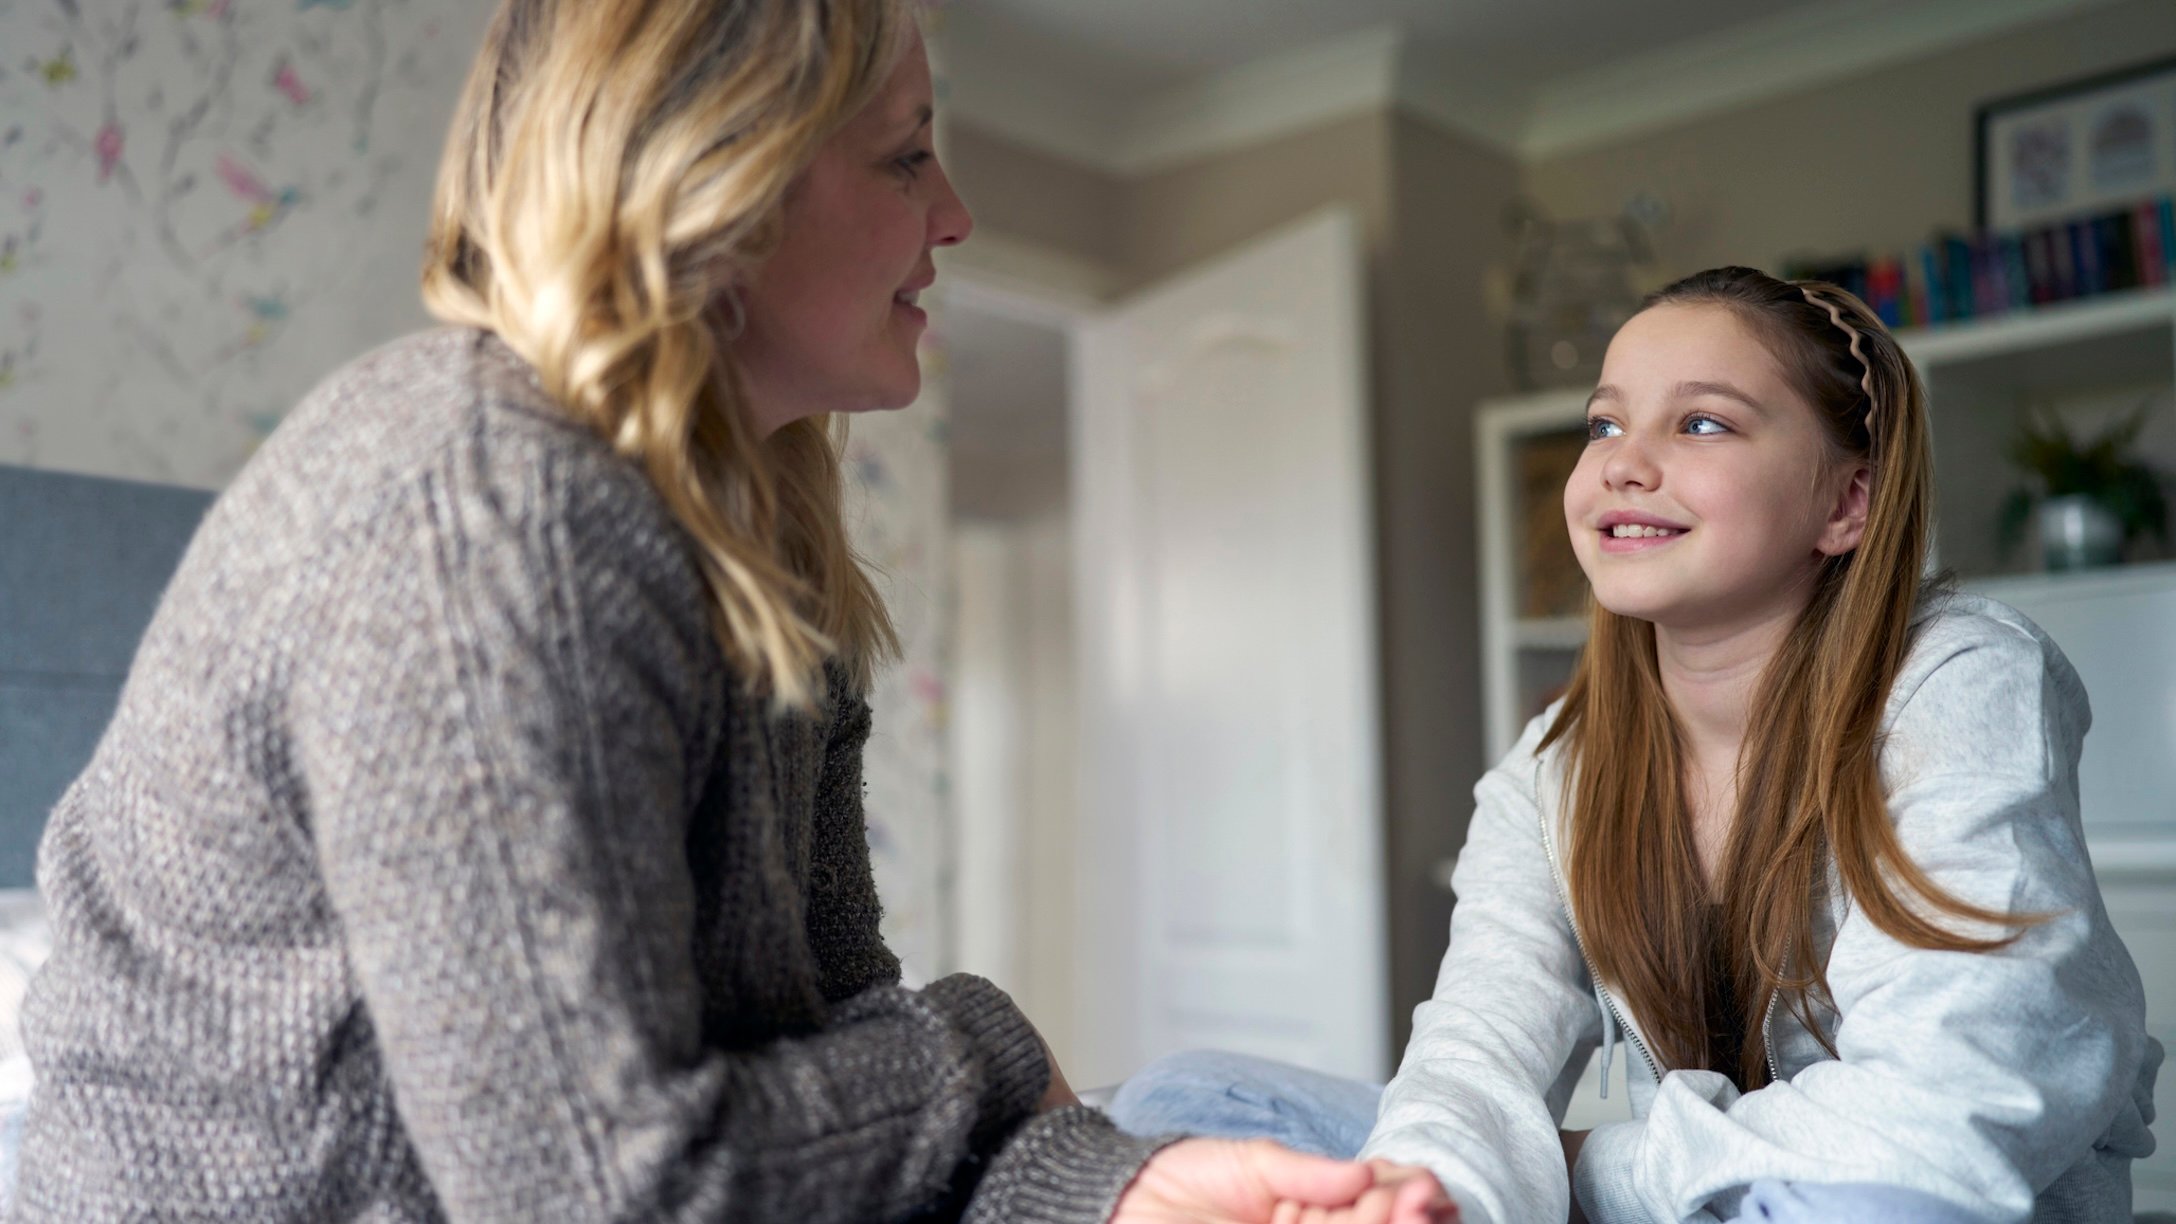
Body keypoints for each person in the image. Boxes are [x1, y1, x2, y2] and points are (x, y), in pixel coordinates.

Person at [11, 2, 1458, 1221]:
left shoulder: (767, 540)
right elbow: (603, 1190)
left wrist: (1112, 1191)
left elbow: (834, 1033)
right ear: (720, 182)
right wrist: (987, 1047)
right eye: (905, 158)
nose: (953, 215)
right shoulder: (483, 509)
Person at [1110, 266, 2161, 1223]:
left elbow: (1945, 1115)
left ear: (1845, 502)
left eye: (1701, 425)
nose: (1623, 465)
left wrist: (1583, 1165)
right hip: (1694, 1186)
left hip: (1891, 1196)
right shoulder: (1553, 764)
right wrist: (1421, 1197)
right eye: (1603, 424)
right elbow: (1476, 1053)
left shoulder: (1955, 675)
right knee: (1186, 1100)